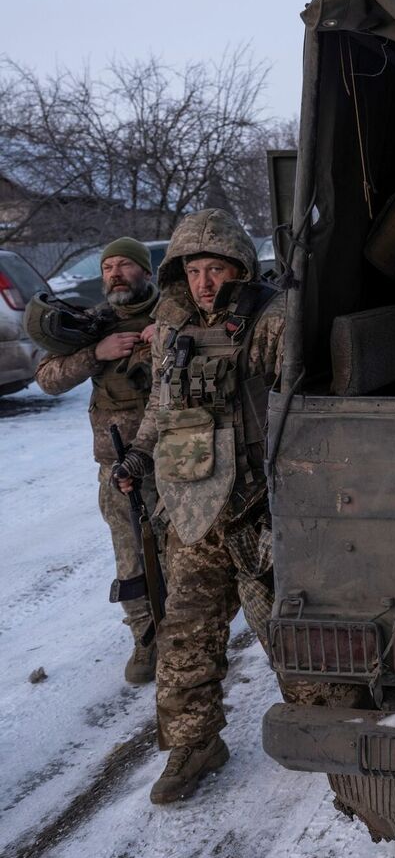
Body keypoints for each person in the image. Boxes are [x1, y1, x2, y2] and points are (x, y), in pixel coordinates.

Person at [111, 209, 289, 803]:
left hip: (262, 511)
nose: (204, 282)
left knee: (289, 638)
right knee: (183, 637)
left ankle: (335, 734)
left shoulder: (272, 321)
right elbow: (161, 413)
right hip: (194, 512)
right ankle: (195, 745)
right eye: (193, 269)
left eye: (216, 268)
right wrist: (136, 459)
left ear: (240, 268)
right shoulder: (169, 331)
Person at [30, 238, 161, 683]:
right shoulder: (93, 324)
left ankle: (188, 634)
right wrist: (95, 355)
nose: (115, 273)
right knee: (132, 558)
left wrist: (162, 339)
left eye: (125, 264)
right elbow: (47, 379)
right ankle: (145, 640)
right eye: (108, 267)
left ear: (145, 271)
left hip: (178, 459)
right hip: (118, 466)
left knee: (184, 552)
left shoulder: (172, 314)